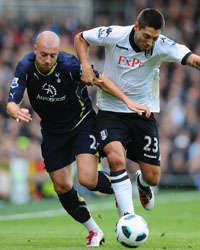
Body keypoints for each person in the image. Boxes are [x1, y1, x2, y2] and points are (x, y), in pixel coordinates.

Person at [7, 31, 150, 247]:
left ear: (58, 53)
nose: (48, 60)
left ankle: (126, 190)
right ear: (35, 50)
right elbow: (11, 101)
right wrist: (14, 111)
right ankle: (95, 230)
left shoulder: (70, 64)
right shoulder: (25, 66)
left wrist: (127, 101)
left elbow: (100, 80)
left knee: (87, 179)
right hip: (53, 132)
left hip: (82, 124)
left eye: (52, 55)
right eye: (44, 54)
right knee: (62, 186)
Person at [74, 7, 200, 217]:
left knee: (153, 178)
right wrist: (85, 65)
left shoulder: (162, 45)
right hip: (111, 111)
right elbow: (81, 37)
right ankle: (128, 217)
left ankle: (141, 182)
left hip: (143, 114)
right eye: (147, 36)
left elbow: (193, 59)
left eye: (154, 37)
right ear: (136, 27)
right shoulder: (115, 34)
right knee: (116, 159)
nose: (150, 42)